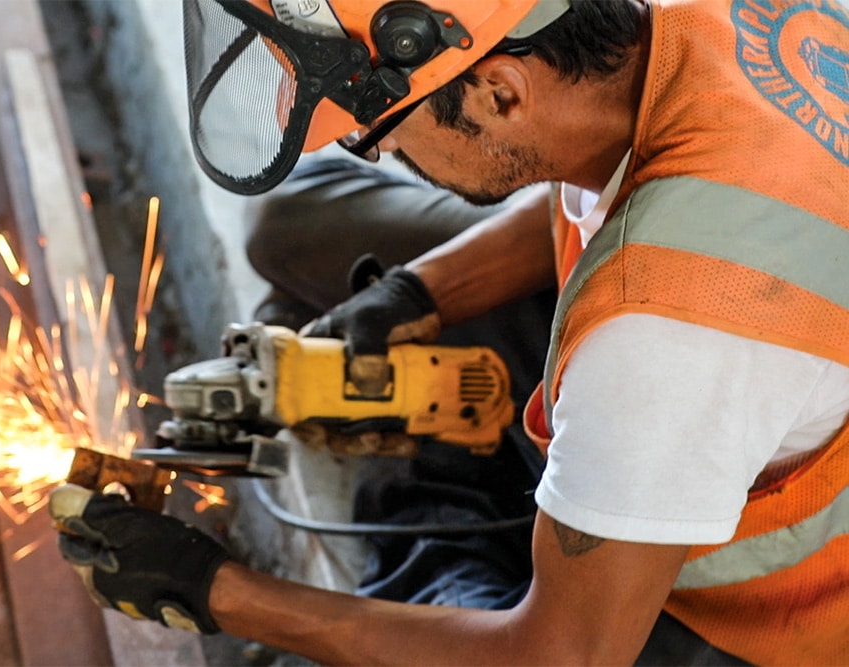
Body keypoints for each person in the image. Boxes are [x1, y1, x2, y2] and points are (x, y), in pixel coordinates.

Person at [49, 1, 849, 664]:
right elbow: (587, 193)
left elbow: (560, 655)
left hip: (761, 619)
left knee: (424, 564)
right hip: (711, 338)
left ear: (500, 90)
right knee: (291, 224)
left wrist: (215, 589)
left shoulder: (663, 333)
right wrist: (408, 298)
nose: (381, 148)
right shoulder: (661, 38)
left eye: (381, 128)